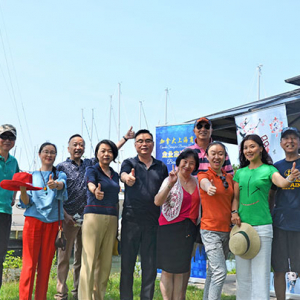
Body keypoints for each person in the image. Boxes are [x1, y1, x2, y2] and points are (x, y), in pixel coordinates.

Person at [55, 127, 134, 300]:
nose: (78, 147)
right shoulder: (61, 166)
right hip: (69, 217)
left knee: (82, 260)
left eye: (81, 145)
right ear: (68, 148)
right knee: (64, 258)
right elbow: (57, 192)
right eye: (74, 145)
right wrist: (63, 214)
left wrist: (125, 139)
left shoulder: (89, 164)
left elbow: (109, 150)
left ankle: (78, 293)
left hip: (88, 216)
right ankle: (61, 294)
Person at [231, 134, 300, 300]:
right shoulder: (239, 173)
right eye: (246, 147)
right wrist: (234, 212)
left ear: (261, 148)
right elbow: (235, 198)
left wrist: (290, 178)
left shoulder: (270, 170)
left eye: (253, 146)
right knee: (243, 276)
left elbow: (281, 183)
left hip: (263, 227)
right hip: (242, 229)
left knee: (261, 275)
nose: (249, 150)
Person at [120, 129, 168, 300]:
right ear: (135, 145)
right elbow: (123, 175)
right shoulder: (129, 163)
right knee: (127, 265)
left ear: (153, 144)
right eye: (140, 141)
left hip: (153, 222)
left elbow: (166, 190)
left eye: (148, 141)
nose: (144, 144)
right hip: (131, 221)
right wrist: (127, 179)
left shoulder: (161, 167)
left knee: (150, 266)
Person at [19, 142, 67, 300]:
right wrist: (23, 190)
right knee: (29, 264)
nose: (49, 155)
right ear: (39, 154)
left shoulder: (60, 175)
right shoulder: (31, 175)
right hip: (33, 221)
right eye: (46, 151)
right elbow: (25, 202)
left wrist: (56, 185)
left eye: (52, 152)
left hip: (53, 224)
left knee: (45, 265)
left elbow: (62, 185)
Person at [154, 149, 200, 300]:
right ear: (178, 163)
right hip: (169, 228)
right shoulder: (170, 179)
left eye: (191, 163)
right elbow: (157, 202)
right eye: (184, 162)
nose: (187, 166)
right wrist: (170, 184)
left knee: (181, 269)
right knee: (168, 270)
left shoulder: (198, 182)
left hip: (189, 229)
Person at [78, 140, 121, 300]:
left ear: (113, 155)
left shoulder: (115, 175)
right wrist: (95, 190)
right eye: (102, 151)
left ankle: (98, 297)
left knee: (105, 264)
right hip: (93, 217)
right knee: (89, 261)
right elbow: (90, 183)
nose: (106, 154)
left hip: (112, 218)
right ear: (97, 153)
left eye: (109, 151)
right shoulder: (92, 169)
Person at [198, 142, 234, 300]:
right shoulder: (203, 175)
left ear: (225, 156)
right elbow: (203, 184)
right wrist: (208, 188)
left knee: (213, 272)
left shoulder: (229, 178)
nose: (217, 156)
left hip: (227, 230)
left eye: (220, 153)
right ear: (207, 156)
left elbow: (234, 199)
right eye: (213, 153)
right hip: (210, 230)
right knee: (220, 272)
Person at [269, 127, 300, 300]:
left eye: (294, 138)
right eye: (286, 138)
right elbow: (271, 194)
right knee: (279, 268)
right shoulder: (276, 167)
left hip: (299, 224)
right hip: (280, 224)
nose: (290, 141)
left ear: (299, 142)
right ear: (281, 143)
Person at [0, 124, 19, 289]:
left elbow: (18, 182)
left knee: (0, 255)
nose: (7, 140)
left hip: (5, 212)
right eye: (3, 137)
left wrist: (13, 197)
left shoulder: (14, 162)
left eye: (11, 137)